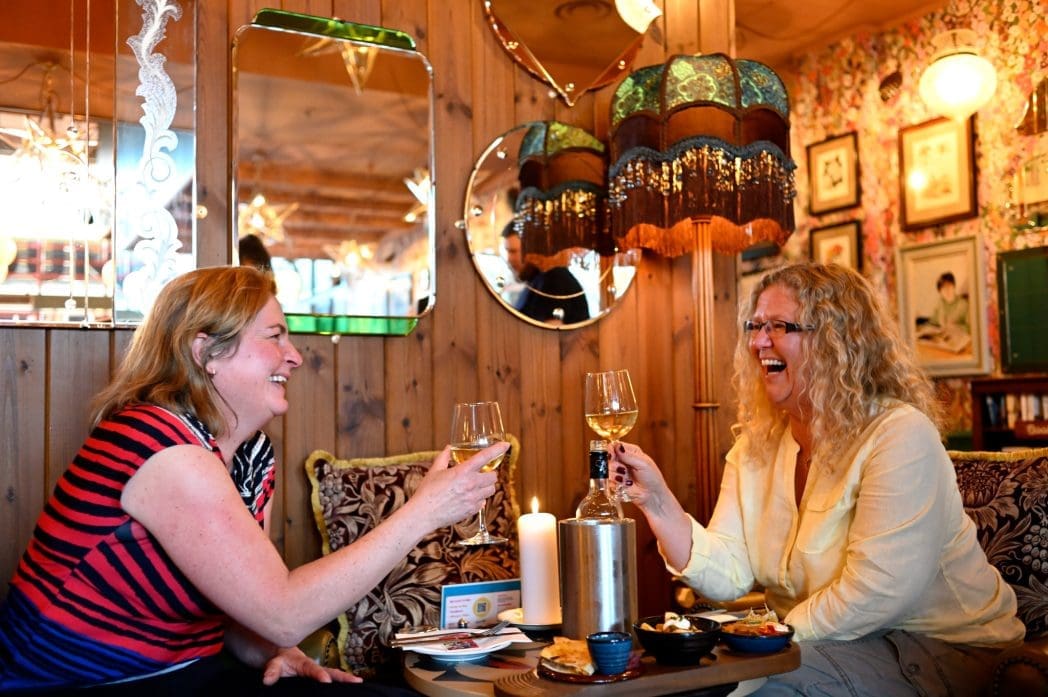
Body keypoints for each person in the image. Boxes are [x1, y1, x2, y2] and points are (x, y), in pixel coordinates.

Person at [0, 266, 504, 696]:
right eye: (274, 336)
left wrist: (278, 652)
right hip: (75, 685)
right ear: (206, 353)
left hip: (186, 673)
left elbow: (250, 617)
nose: (295, 356)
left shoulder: (249, 456)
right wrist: (423, 511)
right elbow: (283, 611)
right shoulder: (157, 444)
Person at [609, 262, 1023, 696]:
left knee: (757, 691)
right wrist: (657, 502)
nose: (757, 342)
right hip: (815, 642)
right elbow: (730, 573)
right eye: (756, 326)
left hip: (939, 648)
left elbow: (878, 590)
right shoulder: (757, 445)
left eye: (778, 326)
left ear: (835, 341)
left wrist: (769, 635)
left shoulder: (900, 434)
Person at [501, 224, 589, 325]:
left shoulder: (555, 279)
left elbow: (549, 332)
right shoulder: (537, 281)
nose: (509, 259)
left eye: (513, 252)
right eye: (507, 251)